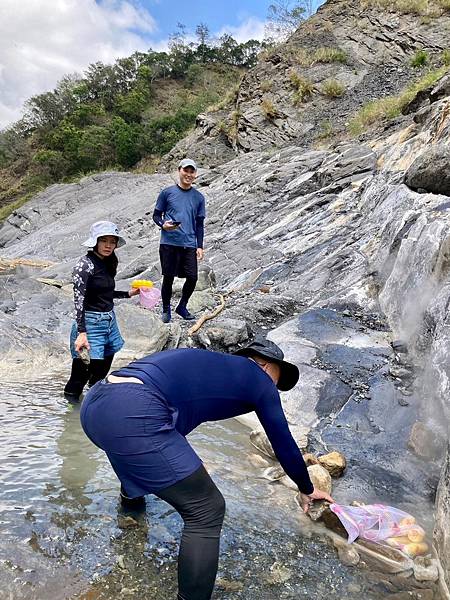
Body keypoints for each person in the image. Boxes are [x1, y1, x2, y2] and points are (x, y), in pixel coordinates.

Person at [80, 337, 334, 600]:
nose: (274, 388)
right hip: (132, 410)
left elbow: (164, 424)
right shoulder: (259, 379)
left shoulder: (210, 365)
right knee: (207, 509)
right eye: (277, 380)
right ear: (266, 365)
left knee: (141, 451)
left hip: (96, 402)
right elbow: (283, 442)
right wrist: (306, 487)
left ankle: (130, 512)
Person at [64, 221, 139, 399]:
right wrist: (82, 333)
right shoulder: (84, 265)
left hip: (109, 322)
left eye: (112, 241)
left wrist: (129, 294)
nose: (108, 245)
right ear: (95, 241)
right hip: (90, 324)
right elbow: (79, 300)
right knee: (79, 376)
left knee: (100, 373)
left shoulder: (107, 262)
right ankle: (70, 414)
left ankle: (93, 405)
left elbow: (104, 293)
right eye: (103, 240)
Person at [152, 158, 206, 323]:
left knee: (192, 277)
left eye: (192, 171)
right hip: (169, 242)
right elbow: (156, 215)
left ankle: (182, 306)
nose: (189, 174)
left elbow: (199, 224)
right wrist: (163, 224)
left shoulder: (199, 197)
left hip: (189, 243)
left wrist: (200, 246)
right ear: (179, 170)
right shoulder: (167, 193)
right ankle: (166, 310)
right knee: (168, 277)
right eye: (186, 170)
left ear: (195, 174)